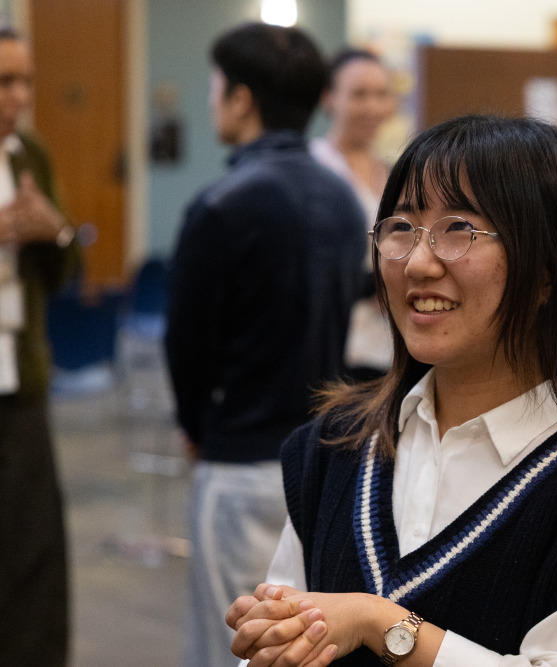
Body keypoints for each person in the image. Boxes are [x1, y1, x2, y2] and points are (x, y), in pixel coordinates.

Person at [224, 114, 557, 667]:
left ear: (549, 278)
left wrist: (382, 623)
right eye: (401, 226)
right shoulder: (336, 444)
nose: (418, 262)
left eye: (459, 230)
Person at [165, 22, 367, 667]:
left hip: (241, 454)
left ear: (242, 98)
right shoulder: (343, 198)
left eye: (216, 87)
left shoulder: (222, 203)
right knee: (299, 646)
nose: (212, 101)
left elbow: (187, 346)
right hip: (324, 458)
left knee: (235, 647)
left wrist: (197, 427)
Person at [0, 26, 81, 667]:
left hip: (19, 381)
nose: (20, 96)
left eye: (25, 80)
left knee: (31, 553)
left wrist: (55, 232)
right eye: (5, 82)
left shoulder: (28, 154)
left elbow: (64, 274)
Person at [310, 48, 396, 380]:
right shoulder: (315, 167)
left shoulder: (392, 172)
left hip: (389, 348)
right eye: (359, 94)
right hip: (334, 347)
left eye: (381, 94)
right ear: (329, 98)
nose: (372, 107)